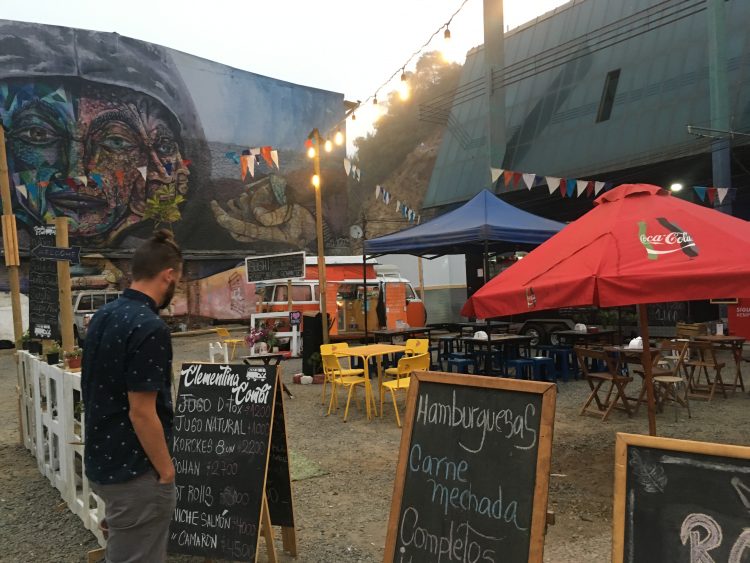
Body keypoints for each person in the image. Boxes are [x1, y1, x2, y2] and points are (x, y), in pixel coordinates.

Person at [81, 229, 182, 562]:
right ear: (169, 275)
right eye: (177, 280)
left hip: (102, 461)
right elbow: (141, 411)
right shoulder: (149, 327)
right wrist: (166, 472)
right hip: (135, 470)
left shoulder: (102, 317)